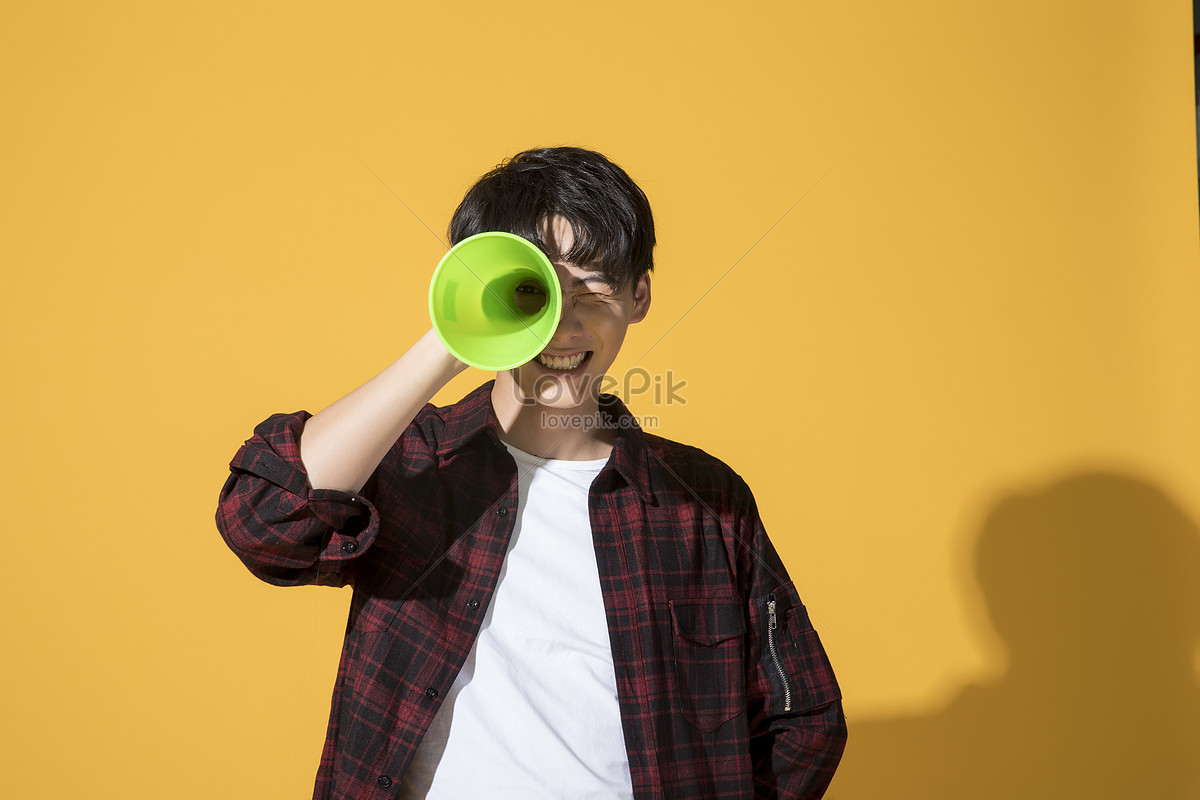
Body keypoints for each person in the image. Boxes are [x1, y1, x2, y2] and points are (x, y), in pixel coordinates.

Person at [216, 146, 846, 799]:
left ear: (639, 295)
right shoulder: (415, 465)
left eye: (593, 286)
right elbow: (262, 520)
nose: (563, 324)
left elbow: (806, 721)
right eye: (530, 290)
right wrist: (451, 335)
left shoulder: (705, 502)